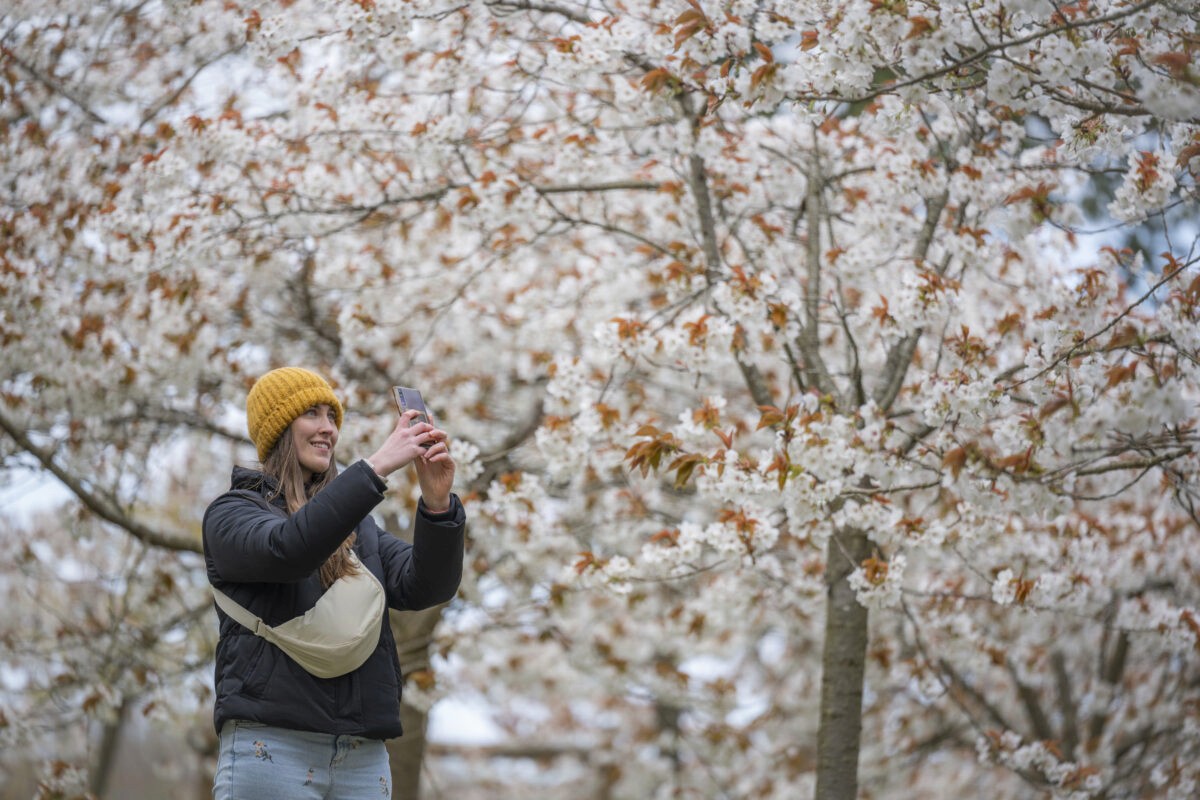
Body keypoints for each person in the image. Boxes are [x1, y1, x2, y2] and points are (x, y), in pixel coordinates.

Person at [202, 366, 465, 800]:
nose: (328, 428)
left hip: (362, 757)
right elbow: (289, 550)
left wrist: (437, 505)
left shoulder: (358, 528)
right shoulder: (232, 514)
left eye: (332, 416)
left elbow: (426, 585)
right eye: (312, 413)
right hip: (272, 747)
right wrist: (376, 467)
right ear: (279, 427)